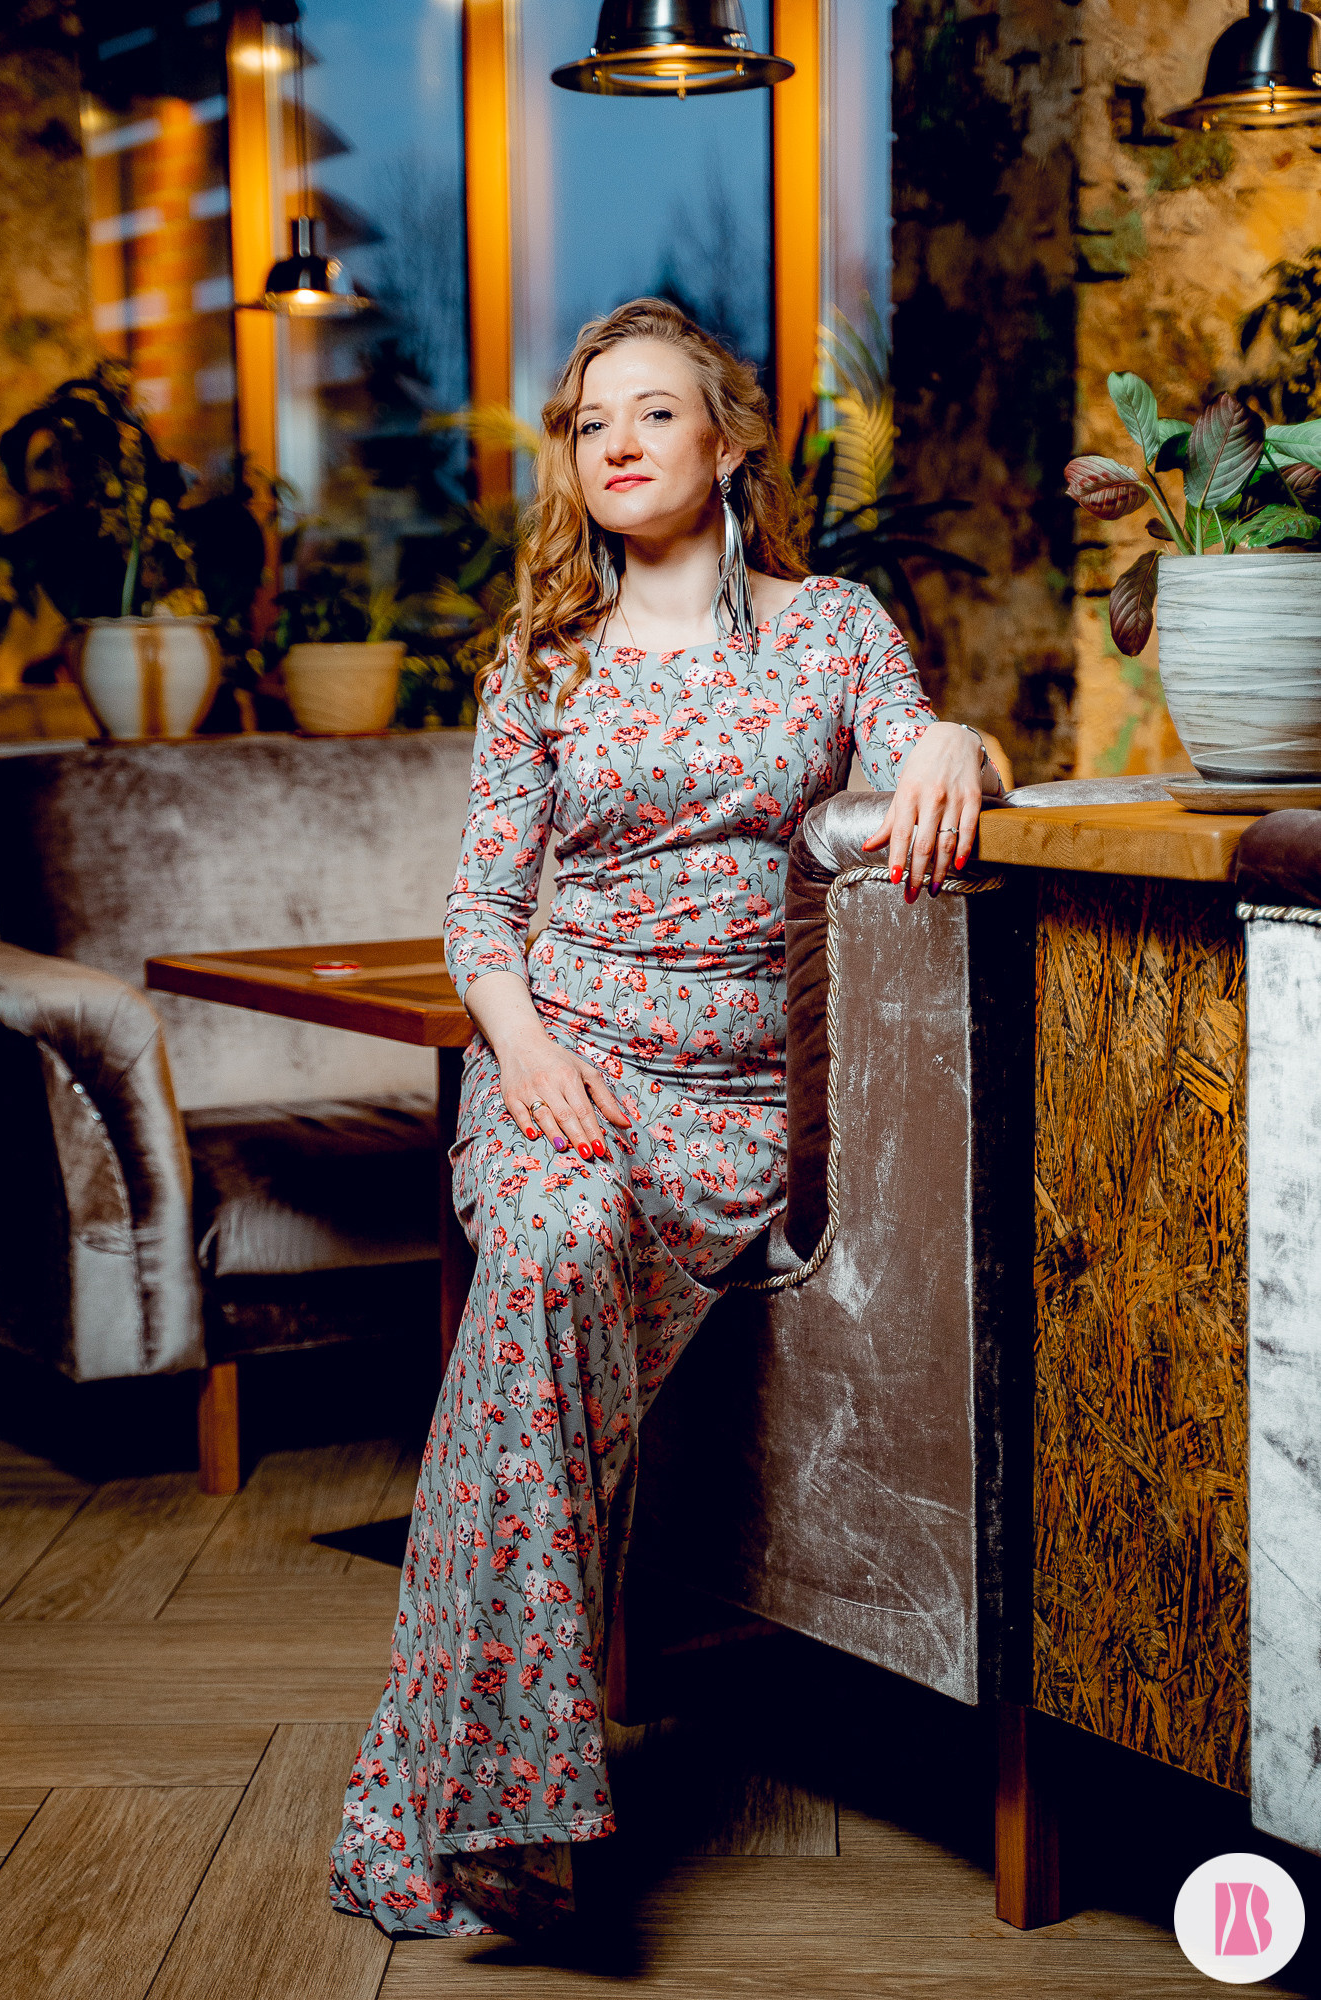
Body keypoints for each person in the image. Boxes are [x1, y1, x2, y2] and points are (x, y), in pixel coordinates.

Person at [329, 297, 999, 1940]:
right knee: (549, 1255)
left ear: (727, 441)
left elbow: (917, 756)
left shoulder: (830, 629)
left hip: (730, 1116)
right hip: (556, 1076)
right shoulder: (542, 661)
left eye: (651, 412)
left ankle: (428, 1806)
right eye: (589, 423)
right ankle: (515, 1815)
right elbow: (481, 910)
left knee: (522, 1389)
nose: (616, 443)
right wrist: (523, 1054)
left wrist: (957, 741)